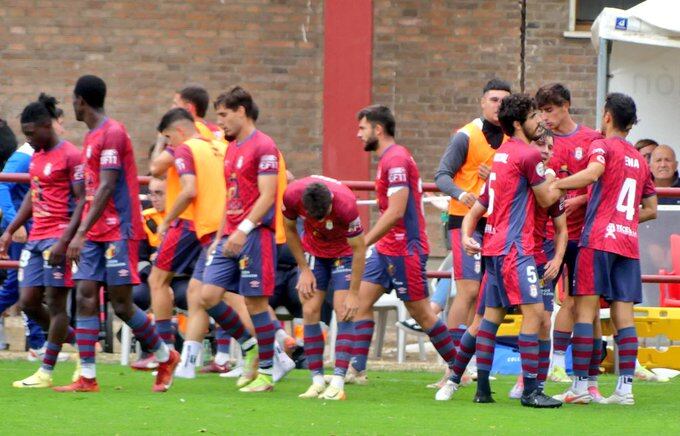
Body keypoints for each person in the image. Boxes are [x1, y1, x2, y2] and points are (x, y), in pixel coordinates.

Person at [54, 75, 179, 393]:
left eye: (73, 100)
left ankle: (165, 356)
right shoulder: (93, 136)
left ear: (80, 100)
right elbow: (92, 190)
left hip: (118, 230)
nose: (73, 105)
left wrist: (78, 232)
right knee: (84, 296)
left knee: (122, 304)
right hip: (95, 232)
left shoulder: (112, 132)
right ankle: (87, 376)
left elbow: (108, 186)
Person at [437, 94, 562, 408]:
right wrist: (558, 182)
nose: (540, 121)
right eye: (534, 116)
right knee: (534, 315)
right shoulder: (528, 157)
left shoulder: (501, 156)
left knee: (488, 320)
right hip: (517, 250)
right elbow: (546, 201)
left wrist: (467, 234)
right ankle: (531, 390)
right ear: (519, 124)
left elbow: (479, 207)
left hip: (495, 249)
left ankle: (473, 387)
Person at [552, 93, 657, 405]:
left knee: (585, 311)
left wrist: (556, 185)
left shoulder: (601, 144)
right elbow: (651, 208)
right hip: (627, 242)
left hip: (597, 239)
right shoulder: (640, 160)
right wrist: (624, 220)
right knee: (624, 314)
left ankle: (580, 387)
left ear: (608, 117)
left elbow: (593, 173)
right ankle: (624, 391)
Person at [346, 105, 457, 391]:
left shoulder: (395, 160)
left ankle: (458, 370)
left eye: (362, 128)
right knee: (359, 301)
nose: (358, 134)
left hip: (405, 248)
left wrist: (363, 242)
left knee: (421, 313)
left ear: (377, 129)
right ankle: (356, 369)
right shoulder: (388, 159)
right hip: (386, 248)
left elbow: (396, 211)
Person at [197, 86, 282, 393]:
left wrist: (243, 229)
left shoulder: (264, 146)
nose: (219, 122)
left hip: (255, 235)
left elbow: (269, 195)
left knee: (256, 303)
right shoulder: (231, 148)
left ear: (242, 111)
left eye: (223, 115)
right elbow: (230, 196)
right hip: (230, 235)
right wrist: (220, 237)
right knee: (207, 296)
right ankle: (250, 347)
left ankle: (268, 373)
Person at [430, 78, 511, 387]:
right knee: (468, 291)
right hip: (465, 220)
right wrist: (462, 194)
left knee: (488, 296)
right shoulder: (466, 136)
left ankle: (466, 362)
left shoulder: (514, 139)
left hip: (499, 222)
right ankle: (452, 367)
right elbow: (441, 175)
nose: (498, 105)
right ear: (482, 102)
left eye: (504, 100)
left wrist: (499, 177)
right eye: (493, 99)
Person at [0, 94, 83, 388]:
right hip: (36, 238)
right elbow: (34, 198)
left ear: (47, 126)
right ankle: (82, 347)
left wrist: (68, 239)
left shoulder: (71, 156)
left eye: (32, 134)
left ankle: (45, 372)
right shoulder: (36, 157)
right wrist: (11, 229)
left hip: (57, 239)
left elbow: (84, 199)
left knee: (57, 305)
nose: (29, 139)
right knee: (28, 301)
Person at [535, 83, 603, 384]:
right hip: (546, 235)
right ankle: (546, 366)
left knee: (582, 302)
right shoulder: (539, 140)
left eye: (550, 110)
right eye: (542, 111)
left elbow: (601, 187)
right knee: (541, 304)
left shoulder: (591, 139)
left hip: (582, 235)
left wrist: (578, 199)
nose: (546, 117)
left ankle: (573, 364)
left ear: (566, 105)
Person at [282, 176, 366, 400]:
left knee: (344, 310)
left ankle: (338, 382)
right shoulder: (291, 195)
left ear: (331, 201)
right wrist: (304, 269)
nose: (323, 220)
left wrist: (354, 294)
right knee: (309, 309)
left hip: (343, 254)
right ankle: (317, 381)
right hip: (314, 253)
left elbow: (359, 248)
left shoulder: (346, 205)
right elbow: (289, 229)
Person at [508, 130, 568, 399]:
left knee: (543, 319)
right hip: (512, 253)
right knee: (489, 317)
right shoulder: (518, 177)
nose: (545, 150)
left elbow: (562, 229)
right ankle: (463, 375)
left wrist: (557, 258)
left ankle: (532, 383)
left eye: (550, 146)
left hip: (541, 256)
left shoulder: (554, 185)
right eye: (540, 144)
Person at [0, 114, 46, 357]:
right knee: (17, 288)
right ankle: (38, 346)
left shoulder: (42, 154)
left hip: (34, 230)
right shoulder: (25, 154)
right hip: (22, 231)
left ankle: (38, 345)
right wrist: (13, 223)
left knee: (26, 286)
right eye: (59, 122)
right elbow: (2, 185)